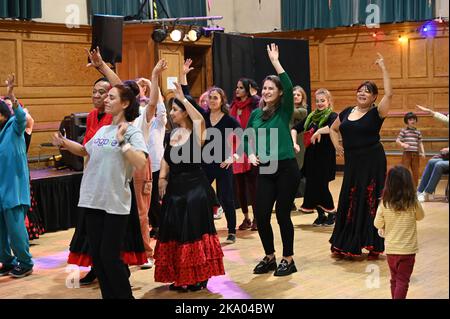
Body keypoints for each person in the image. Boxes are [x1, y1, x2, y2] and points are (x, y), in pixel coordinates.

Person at [52, 77, 148, 299]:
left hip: (114, 204)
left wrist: (123, 142)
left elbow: (140, 162)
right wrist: (65, 143)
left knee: (110, 257)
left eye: (111, 97)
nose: (106, 100)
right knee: (98, 256)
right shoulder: (103, 131)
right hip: (92, 200)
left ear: (124, 104)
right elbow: (86, 151)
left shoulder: (131, 131)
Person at [154, 81, 225, 291]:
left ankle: (199, 276)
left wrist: (183, 97)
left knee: (193, 233)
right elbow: (166, 158)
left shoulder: (197, 133)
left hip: (195, 189)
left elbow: (200, 118)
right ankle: (182, 276)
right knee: (176, 233)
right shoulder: (172, 134)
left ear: (185, 113)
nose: (172, 113)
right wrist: (162, 178)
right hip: (175, 189)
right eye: (172, 109)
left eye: (175, 110)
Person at [244, 43, 301, 276]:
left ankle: (289, 258)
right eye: (265, 88)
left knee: (282, 214)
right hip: (267, 167)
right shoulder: (256, 114)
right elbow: (247, 136)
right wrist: (250, 153)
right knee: (262, 214)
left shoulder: (285, 109)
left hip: (286, 167)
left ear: (279, 93)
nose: (266, 91)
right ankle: (269, 256)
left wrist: (276, 62)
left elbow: (287, 84)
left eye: (271, 89)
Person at [329, 53, 392, 259]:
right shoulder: (347, 111)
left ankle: (371, 242)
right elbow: (333, 129)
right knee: (350, 198)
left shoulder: (377, 113)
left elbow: (389, 94)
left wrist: (383, 69)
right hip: (353, 163)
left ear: (374, 97)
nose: (363, 94)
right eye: (360, 91)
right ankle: (346, 241)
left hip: (373, 161)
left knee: (370, 200)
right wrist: (337, 145)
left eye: (368, 92)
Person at [0, 74, 34, 278]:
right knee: (1, 232)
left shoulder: (14, 127)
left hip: (13, 188)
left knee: (15, 231)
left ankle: (25, 262)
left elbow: (22, 117)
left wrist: (11, 96)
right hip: (1, 189)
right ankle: (8, 261)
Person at [374, 165, 425, 299]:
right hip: (408, 251)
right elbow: (420, 216)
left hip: (391, 250)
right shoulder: (412, 202)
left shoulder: (385, 203)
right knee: (403, 281)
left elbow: (377, 223)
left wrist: (384, 225)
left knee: (394, 280)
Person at [291, 88, 337, 227]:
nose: (319, 103)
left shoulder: (332, 116)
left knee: (322, 187)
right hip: (311, 157)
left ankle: (332, 213)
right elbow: (294, 129)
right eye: (317, 101)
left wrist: (318, 131)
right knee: (311, 186)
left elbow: (332, 128)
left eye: (322, 101)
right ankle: (321, 215)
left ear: (328, 102)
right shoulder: (311, 116)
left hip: (325, 157)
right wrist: (294, 143)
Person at [229, 78, 259, 231]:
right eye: (237, 87)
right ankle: (246, 218)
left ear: (247, 90)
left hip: (250, 147)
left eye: (241, 87)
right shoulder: (233, 105)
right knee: (239, 187)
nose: (237, 90)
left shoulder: (254, 105)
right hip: (235, 149)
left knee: (253, 186)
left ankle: (257, 218)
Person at [396, 112, 425, 187]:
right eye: (410, 119)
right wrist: (402, 144)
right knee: (404, 171)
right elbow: (397, 140)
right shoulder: (404, 131)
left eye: (414, 119)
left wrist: (423, 152)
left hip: (416, 154)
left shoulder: (418, 132)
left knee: (416, 173)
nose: (412, 121)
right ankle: (403, 188)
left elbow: (420, 142)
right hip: (407, 154)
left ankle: (415, 190)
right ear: (407, 121)